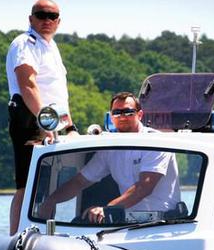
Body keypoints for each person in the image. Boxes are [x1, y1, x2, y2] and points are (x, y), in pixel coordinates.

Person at [38, 92, 181, 223]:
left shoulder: (156, 141)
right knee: (78, 222)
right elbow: (80, 181)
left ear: (140, 115)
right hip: (126, 222)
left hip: (163, 223)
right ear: (111, 117)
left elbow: (144, 186)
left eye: (128, 112)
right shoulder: (110, 148)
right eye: (117, 112)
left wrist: (106, 209)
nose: (122, 117)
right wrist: (51, 200)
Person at [6, 0, 77, 235]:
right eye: (41, 15)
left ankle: (47, 237)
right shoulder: (26, 43)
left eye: (52, 16)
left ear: (59, 21)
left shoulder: (51, 46)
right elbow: (28, 86)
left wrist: (69, 126)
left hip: (55, 119)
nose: (47, 20)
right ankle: (15, 238)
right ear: (31, 18)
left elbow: (57, 93)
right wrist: (46, 121)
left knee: (50, 184)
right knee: (27, 185)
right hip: (32, 118)